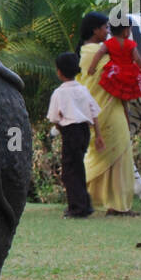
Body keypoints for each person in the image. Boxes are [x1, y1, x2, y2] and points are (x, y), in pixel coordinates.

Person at [77, 12, 137, 215]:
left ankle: (87, 198)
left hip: (96, 111)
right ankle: (118, 205)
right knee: (120, 155)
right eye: (105, 28)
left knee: (101, 154)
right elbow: (121, 76)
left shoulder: (83, 53)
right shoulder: (100, 53)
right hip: (109, 111)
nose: (108, 32)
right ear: (95, 30)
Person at [47, 51, 103, 218]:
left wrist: (59, 128)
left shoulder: (59, 93)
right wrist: (98, 135)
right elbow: (94, 114)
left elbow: (54, 117)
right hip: (84, 132)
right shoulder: (83, 90)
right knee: (78, 168)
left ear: (59, 72)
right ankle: (84, 204)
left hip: (70, 132)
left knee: (70, 172)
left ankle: (77, 208)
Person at [87, 19, 141, 101]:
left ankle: (114, 103)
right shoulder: (130, 44)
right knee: (126, 93)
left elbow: (99, 53)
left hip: (115, 72)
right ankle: (126, 108)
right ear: (125, 31)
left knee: (115, 91)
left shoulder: (109, 43)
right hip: (130, 73)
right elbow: (138, 59)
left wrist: (92, 67)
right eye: (129, 30)